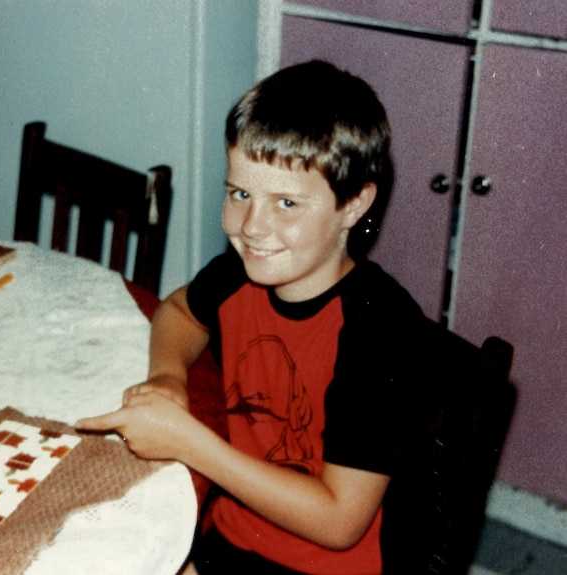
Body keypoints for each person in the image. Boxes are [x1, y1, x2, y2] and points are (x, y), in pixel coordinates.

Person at [77, 60, 431, 575]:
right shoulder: (240, 274)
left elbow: (339, 522)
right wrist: (168, 376)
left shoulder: (379, 330)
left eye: (286, 202)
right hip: (231, 538)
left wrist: (191, 443)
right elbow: (178, 312)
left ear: (354, 205)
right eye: (239, 193)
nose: (252, 227)